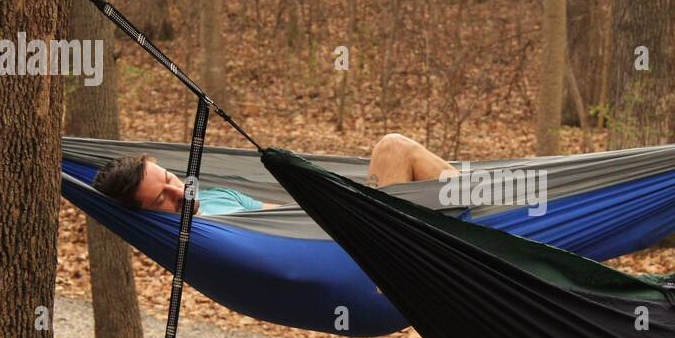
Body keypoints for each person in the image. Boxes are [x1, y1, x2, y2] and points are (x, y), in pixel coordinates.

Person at [91, 133, 457, 216]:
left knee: (397, 151)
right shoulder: (196, 242)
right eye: (161, 200)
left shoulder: (221, 196)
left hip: (345, 224)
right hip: (361, 255)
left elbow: (283, 219)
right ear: (145, 216)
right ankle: (496, 207)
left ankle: (498, 209)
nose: (179, 193)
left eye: (171, 179)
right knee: (394, 148)